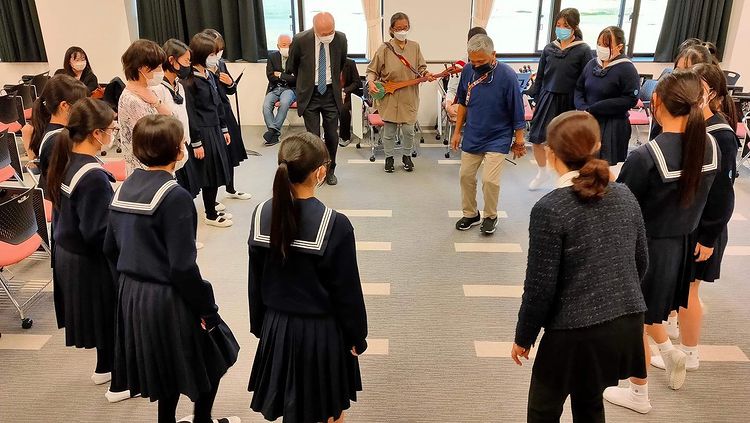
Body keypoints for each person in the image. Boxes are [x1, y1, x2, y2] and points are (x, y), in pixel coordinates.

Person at [511, 111, 648, 422]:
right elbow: (641, 262)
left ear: (551, 153)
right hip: (624, 322)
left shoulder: (550, 208)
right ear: (597, 145)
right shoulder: (625, 194)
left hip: (574, 331)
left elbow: (540, 288)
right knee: (590, 402)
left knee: (543, 410)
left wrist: (524, 337)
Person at [104, 115, 240, 423]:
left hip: (131, 296)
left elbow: (109, 249)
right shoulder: (175, 196)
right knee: (215, 353)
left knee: (162, 366)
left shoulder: (123, 188)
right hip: (167, 297)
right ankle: (202, 420)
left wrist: (130, 289)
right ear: (179, 151)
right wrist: (208, 310)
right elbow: (182, 268)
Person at [604, 70, 719, 413]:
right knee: (650, 313)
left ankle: (638, 394)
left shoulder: (646, 157)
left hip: (646, 250)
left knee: (633, 323)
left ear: (656, 102)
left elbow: (621, 209)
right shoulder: (709, 145)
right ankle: (669, 352)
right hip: (682, 247)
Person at [248, 132, 368, 423]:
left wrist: (261, 325)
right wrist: (357, 337)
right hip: (321, 334)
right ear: (320, 173)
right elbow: (347, 292)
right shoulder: (335, 224)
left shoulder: (261, 214)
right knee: (329, 411)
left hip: (277, 326)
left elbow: (255, 280)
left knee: (291, 407)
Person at [650, 63, 739, 371]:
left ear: (710, 94)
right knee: (681, 288)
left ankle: (690, 353)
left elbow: (723, 195)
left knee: (691, 292)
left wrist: (709, 236)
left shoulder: (720, 135)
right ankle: (675, 334)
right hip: (688, 222)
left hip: (705, 228)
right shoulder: (694, 126)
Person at [45, 97, 129, 399]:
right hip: (88, 259)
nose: (113, 133)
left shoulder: (67, 159)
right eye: (112, 129)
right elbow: (99, 232)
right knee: (112, 317)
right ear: (96, 133)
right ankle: (120, 384)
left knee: (102, 317)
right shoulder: (93, 176)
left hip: (68, 253)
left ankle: (103, 367)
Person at [450, 34, 526, 235]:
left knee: (490, 181)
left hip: (498, 136)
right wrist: (457, 132)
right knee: (465, 176)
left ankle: (490, 216)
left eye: (480, 61)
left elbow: (517, 110)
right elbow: (463, 103)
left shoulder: (507, 76)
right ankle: (470, 214)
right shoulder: (468, 71)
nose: (476, 65)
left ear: (493, 55)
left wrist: (519, 140)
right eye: (472, 61)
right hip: (473, 133)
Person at [526, 8, 591, 190]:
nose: (561, 29)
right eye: (558, 25)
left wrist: (583, 106)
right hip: (547, 97)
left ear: (574, 27)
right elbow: (540, 77)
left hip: (569, 101)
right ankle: (542, 172)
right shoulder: (549, 48)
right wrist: (536, 98)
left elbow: (586, 80)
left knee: (565, 144)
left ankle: (564, 177)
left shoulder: (583, 50)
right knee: (537, 139)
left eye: (565, 26)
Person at [286, 11, 348, 185]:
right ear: (314, 29)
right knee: (313, 138)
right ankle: (315, 171)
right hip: (310, 94)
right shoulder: (300, 40)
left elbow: (341, 63)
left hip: (330, 92)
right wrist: (306, 81)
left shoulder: (340, 39)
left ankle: (330, 169)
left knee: (332, 136)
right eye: (324, 33)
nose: (328, 36)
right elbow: (293, 66)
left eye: (331, 32)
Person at [366, 12, 431, 173]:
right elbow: (371, 70)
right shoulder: (384, 49)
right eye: (399, 28)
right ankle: (389, 158)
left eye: (405, 27)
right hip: (390, 96)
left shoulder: (415, 47)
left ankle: (407, 156)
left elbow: (422, 68)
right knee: (389, 131)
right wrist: (371, 82)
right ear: (392, 29)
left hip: (409, 95)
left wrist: (426, 74)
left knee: (409, 131)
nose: (402, 31)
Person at [182, 33, 234, 228]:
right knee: (208, 174)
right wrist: (196, 142)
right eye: (211, 54)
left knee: (216, 172)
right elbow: (191, 114)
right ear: (201, 54)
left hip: (215, 128)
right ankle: (210, 214)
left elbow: (217, 104)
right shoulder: (190, 81)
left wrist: (224, 128)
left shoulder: (209, 75)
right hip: (202, 132)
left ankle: (212, 208)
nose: (215, 58)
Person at [574, 26, 640, 165]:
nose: (601, 48)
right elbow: (579, 87)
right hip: (588, 119)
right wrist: (582, 107)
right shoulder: (592, 64)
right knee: (583, 161)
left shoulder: (627, 68)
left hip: (611, 123)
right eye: (599, 44)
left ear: (619, 47)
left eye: (606, 45)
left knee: (602, 164)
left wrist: (597, 108)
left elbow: (630, 99)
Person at [202, 28, 251, 201]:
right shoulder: (199, 69)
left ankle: (231, 189)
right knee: (216, 156)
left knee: (230, 151)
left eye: (220, 50)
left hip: (225, 113)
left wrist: (230, 83)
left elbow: (231, 90)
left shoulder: (221, 64)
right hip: (210, 117)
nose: (218, 55)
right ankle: (211, 201)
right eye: (214, 52)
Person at [28, 74, 88, 195]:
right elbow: (67, 185)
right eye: (81, 105)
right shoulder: (56, 140)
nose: (85, 109)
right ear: (64, 106)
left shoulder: (61, 132)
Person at [118, 39, 171, 174]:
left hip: (157, 162)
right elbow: (155, 134)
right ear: (142, 68)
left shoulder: (149, 90)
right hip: (145, 168)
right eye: (158, 67)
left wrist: (157, 102)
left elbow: (170, 116)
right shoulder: (131, 99)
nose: (161, 71)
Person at [444, 27, 487, 121]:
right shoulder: (460, 66)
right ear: (468, 44)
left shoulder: (493, 66)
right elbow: (452, 90)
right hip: (467, 105)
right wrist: (448, 105)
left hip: (486, 106)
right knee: (457, 111)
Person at [262, 34, 297, 147]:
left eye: (289, 45)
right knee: (266, 106)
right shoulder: (272, 57)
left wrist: (281, 75)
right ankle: (274, 133)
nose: (287, 47)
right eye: (284, 45)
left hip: (290, 89)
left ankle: (272, 131)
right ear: (278, 46)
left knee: (284, 102)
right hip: (275, 88)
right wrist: (287, 76)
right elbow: (270, 76)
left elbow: (296, 79)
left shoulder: (296, 58)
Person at [338, 57, 362, 147]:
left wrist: (344, 91)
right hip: (336, 94)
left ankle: (345, 137)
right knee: (329, 106)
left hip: (350, 95)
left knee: (343, 109)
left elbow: (357, 82)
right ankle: (328, 133)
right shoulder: (330, 63)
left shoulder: (350, 63)